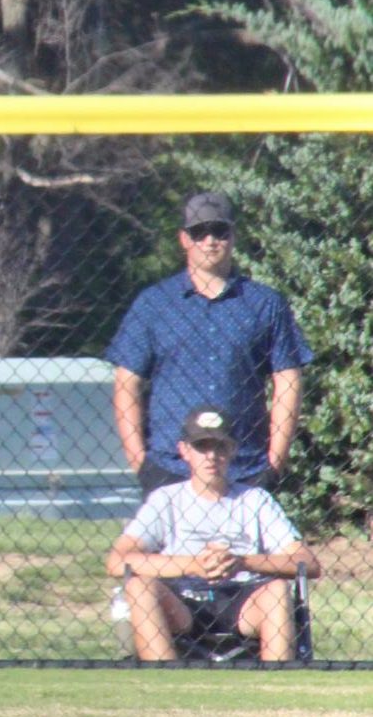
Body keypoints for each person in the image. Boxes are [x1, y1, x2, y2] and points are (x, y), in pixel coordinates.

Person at [106, 190, 311, 495]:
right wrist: (142, 463)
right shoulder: (154, 304)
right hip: (171, 469)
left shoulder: (266, 304)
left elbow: (288, 381)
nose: (209, 240)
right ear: (184, 239)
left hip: (246, 469)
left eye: (219, 231)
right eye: (199, 232)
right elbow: (127, 384)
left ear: (233, 236)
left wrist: (274, 463)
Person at [106, 404, 316, 663]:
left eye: (220, 447)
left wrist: (241, 562)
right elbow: (118, 560)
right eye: (201, 446)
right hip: (182, 599)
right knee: (138, 587)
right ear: (184, 450)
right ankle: (162, 678)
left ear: (233, 450)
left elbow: (307, 562)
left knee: (278, 590)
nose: (211, 456)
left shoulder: (254, 499)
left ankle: (277, 683)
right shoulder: (165, 499)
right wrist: (193, 565)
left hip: (243, 596)